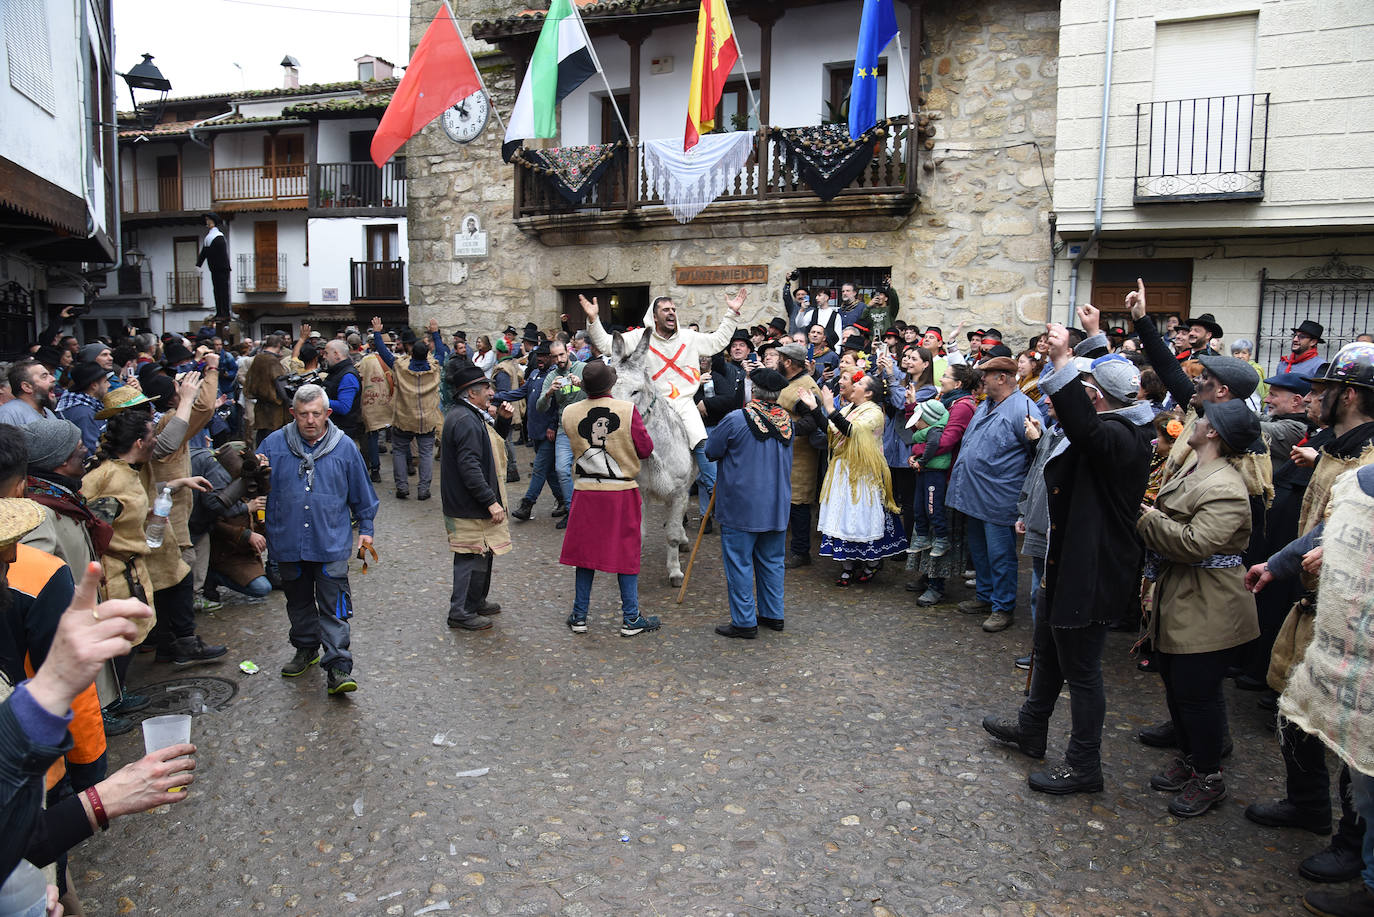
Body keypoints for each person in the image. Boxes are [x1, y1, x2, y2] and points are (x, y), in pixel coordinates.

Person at [982, 311, 1154, 796]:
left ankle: (1084, 766)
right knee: (1049, 652)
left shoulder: (1120, 434)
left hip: (1092, 570)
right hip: (1067, 561)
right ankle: (1032, 729)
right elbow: (1104, 379)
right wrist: (1095, 335)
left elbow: (1086, 426)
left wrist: (1060, 360)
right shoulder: (1117, 415)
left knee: (1082, 671)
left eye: (1083, 388)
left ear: (1095, 397)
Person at [1244, 343, 1374, 884]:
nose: (1311, 397)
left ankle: (1352, 839)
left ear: (1347, 394)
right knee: (1294, 701)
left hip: (1348, 615)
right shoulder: (1337, 446)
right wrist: (1281, 561)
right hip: (1309, 597)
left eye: (1321, 390)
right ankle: (1308, 804)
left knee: (1349, 732)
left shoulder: (1370, 460)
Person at [1260, 462, 1374, 917]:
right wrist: (1278, 563)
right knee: (1365, 777)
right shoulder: (1363, 482)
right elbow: (1339, 524)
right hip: (1359, 664)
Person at [1137, 399, 1260, 816]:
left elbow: (1195, 544)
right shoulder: (1197, 468)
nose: (1193, 421)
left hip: (1210, 602)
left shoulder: (1226, 486)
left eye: (1202, 418)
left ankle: (1209, 775)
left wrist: (1147, 519)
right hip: (1185, 593)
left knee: (1197, 694)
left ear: (1214, 433)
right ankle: (1192, 758)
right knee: (1176, 682)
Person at [580, 289, 747, 519]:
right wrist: (593, 319)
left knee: (702, 446)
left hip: (684, 404)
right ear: (654, 316)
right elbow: (608, 345)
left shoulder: (689, 337)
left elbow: (717, 341)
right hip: (653, 405)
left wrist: (732, 312)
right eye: (665, 310)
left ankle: (717, 494)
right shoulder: (639, 337)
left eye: (674, 310)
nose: (671, 314)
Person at [260, 384, 378, 695]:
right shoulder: (272, 445)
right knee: (297, 602)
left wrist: (366, 528)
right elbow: (251, 487)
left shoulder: (345, 447)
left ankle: (339, 665)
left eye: (316, 414)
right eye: (303, 415)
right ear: (292, 415)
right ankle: (305, 648)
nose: (310, 420)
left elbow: (362, 493)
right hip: (288, 541)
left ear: (327, 413)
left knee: (334, 606)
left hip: (331, 541)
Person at [557, 362, 659, 637]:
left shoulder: (569, 412)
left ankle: (579, 615)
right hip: (621, 493)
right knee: (626, 554)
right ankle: (631, 617)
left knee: (584, 556)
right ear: (612, 385)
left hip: (585, 490)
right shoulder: (627, 411)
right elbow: (646, 449)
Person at [945, 353, 1036, 633]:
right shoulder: (988, 404)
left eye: (986, 375)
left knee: (1000, 555)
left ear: (1002, 378)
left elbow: (1035, 453)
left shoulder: (1024, 409)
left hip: (999, 496)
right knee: (981, 551)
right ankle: (985, 597)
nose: (981, 379)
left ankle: (1002, 606)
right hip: (975, 494)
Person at [797, 368, 907, 585]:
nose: (854, 385)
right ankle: (847, 565)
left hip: (863, 473)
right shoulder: (849, 408)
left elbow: (852, 431)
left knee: (860, 517)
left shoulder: (874, 412)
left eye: (859, 383)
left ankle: (871, 562)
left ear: (868, 393)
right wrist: (815, 408)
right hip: (842, 470)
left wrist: (829, 408)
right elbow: (831, 429)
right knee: (842, 516)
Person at [706, 366, 792, 638]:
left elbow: (711, 450)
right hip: (777, 503)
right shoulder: (786, 419)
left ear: (753, 390)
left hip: (741, 505)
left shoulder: (736, 419)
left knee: (739, 563)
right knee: (772, 561)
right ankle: (772, 613)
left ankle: (744, 621)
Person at [439, 365, 513, 632]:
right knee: (469, 556)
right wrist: (489, 500)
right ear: (471, 393)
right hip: (468, 505)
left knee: (484, 552)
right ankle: (460, 611)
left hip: (472, 503)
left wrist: (503, 420)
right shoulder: (465, 420)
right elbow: (469, 467)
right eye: (487, 389)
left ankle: (475, 600)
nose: (492, 393)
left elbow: (491, 445)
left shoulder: (470, 415)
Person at [907, 364, 981, 607]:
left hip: (945, 476)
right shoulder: (947, 400)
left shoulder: (962, 407)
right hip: (929, 468)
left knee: (941, 527)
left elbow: (945, 440)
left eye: (947, 376)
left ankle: (937, 585)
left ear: (959, 384)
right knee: (925, 522)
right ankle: (927, 574)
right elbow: (924, 429)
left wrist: (918, 452)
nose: (942, 378)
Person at [371, 316, 442, 501]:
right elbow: (441, 351)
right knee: (426, 453)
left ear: (411, 352)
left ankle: (402, 487)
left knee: (400, 451)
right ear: (427, 353)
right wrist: (435, 332)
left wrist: (377, 333)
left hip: (404, 418)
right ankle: (423, 489)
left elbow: (383, 352)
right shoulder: (434, 367)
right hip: (426, 419)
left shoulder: (400, 367)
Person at [776, 343, 824, 567]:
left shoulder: (806, 387)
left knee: (799, 505)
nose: (776, 361)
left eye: (779, 358)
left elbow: (812, 421)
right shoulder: (790, 382)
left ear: (788, 362)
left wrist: (784, 430)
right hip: (786, 455)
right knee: (789, 504)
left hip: (800, 457)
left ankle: (801, 552)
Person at [508, 342, 568, 522]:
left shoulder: (557, 377)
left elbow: (560, 403)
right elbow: (520, 392)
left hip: (549, 432)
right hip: (534, 431)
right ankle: (564, 500)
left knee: (540, 469)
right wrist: (496, 397)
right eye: (538, 355)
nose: (540, 359)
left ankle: (527, 504)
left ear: (552, 357)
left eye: (544, 356)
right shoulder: (534, 374)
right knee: (548, 471)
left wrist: (552, 425)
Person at [356, 337, 394, 484]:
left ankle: (376, 470)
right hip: (391, 402)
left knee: (372, 435)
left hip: (371, 403)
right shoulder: (395, 360)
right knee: (399, 436)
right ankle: (407, 464)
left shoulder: (365, 361)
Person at [54, 362, 108, 452]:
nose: (109, 385)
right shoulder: (84, 414)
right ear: (94, 385)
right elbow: (90, 450)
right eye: (105, 382)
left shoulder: (89, 405)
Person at [245, 333, 288, 446]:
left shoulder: (258, 358)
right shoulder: (272, 361)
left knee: (262, 437)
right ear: (278, 345)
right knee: (273, 440)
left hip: (261, 405)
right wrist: (289, 401)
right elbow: (280, 385)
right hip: (274, 408)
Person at [0, 359, 59, 426]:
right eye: (44, 376)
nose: (53, 379)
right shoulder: (8, 414)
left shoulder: (47, 412)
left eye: (50, 374)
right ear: (27, 387)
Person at [197, 212, 232, 322]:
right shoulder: (210, 237)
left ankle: (225, 313)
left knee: (222, 291)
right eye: (207, 220)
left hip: (221, 269)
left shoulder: (218, 236)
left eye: (209, 220)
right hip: (215, 269)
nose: (207, 222)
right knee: (217, 290)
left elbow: (211, 252)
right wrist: (198, 264)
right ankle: (219, 312)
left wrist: (201, 263)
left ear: (214, 222)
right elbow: (204, 252)